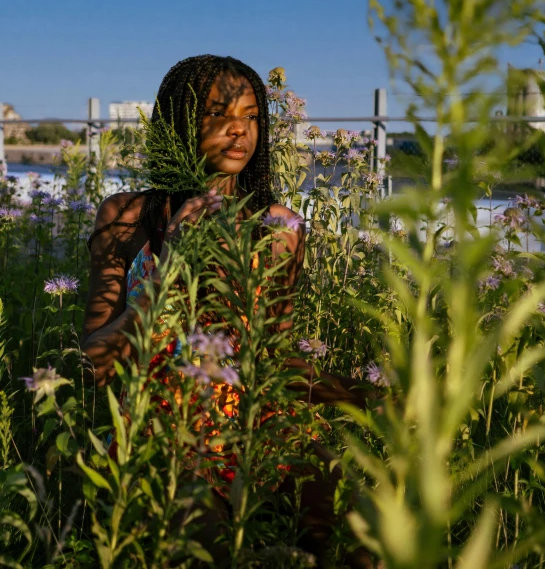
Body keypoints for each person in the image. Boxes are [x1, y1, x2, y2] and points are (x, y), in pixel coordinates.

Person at [81, 54, 375, 568]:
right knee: (205, 537)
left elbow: (275, 361)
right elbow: (95, 365)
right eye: (219, 115)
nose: (240, 129)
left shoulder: (280, 230)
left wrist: (368, 396)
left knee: (355, 520)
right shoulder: (128, 217)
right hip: (158, 424)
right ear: (179, 124)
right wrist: (169, 263)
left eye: (252, 115)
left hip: (258, 420)